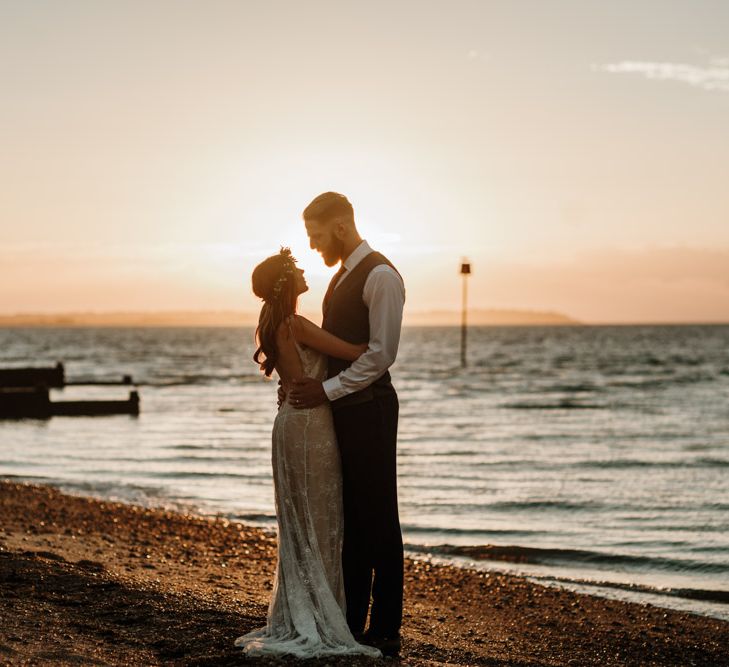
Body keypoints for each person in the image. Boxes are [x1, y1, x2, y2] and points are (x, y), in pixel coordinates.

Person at [234, 247, 380, 659]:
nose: (304, 272)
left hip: (290, 424)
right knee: (319, 518)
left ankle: (310, 607)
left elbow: (297, 374)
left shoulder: (274, 324)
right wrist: (382, 337)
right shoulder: (295, 324)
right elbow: (354, 353)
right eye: (297, 270)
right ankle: (319, 614)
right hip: (310, 426)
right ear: (286, 282)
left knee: (303, 520)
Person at [288, 192, 405, 657]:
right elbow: (335, 346)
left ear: (340, 227)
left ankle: (387, 628)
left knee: (379, 516)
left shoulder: (381, 276)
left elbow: (380, 355)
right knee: (352, 516)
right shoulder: (339, 279)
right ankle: (353, 623)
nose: (313, 246)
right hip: (344, 408)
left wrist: (327, 391)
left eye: (316, 236)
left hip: (372, 408)